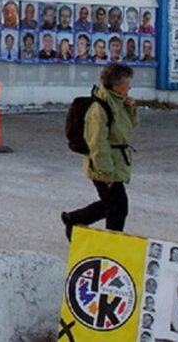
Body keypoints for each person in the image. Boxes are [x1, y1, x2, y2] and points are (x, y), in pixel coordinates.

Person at [61, 64, 139, 238]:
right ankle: (112, 244)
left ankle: (74, 219)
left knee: (111, 203)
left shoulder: (117, 102)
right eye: (127, 83)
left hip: (116, 160)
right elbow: (97, 142)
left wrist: (130, 108)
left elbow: (127, 128)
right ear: (115, 85)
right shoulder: (99, 108)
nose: (130, 87)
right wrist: (106, 172)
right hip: (103, 163)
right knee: (118, 207)